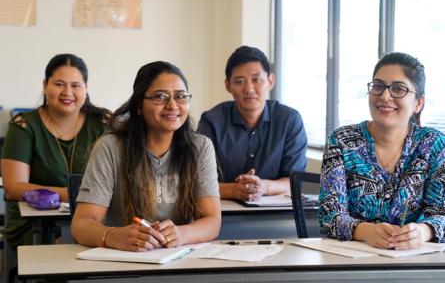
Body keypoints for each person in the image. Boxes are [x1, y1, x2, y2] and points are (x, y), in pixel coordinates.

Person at [71, 61, 220, 251]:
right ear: (139, 106)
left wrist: (182, 234)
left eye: (181, 96)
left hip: (176, 258)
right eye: (160, 96)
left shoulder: (200, 147)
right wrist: (112, 236)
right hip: (122, 259)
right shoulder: (110, 147)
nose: (172, 105)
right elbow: (81, 224)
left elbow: (212, 221)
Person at [319, 52, 445, 249]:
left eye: (398, 89)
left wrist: (424, 231)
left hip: (415, 261)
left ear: (418, 103)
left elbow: (441, 213)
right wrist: (366, 231)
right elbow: (329, 217)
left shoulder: (434, 145)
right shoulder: (342, 141)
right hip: (350, 260)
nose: (385, 96)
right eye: (378, 86)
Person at [1, 53, 110, 249]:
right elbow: (13, 187)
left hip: (94, 217)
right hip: (34, 223)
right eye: (59, 84)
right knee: (62, 248)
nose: (67, 92)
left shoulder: (103, 123)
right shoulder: (24, 125)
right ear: (45, 86)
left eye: (76, 85)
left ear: (86, 89)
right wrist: (74, 195)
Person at [198, 46, 307, 201]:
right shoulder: (212, 122)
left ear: (270, 81)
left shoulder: (289, 120)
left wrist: (263, 187)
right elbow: (197, 183)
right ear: (228, 85)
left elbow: (295, 182)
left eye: (256, 80)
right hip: (223, 213)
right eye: (239, 81)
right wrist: (234, 190)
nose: (249, 89)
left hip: (274, 214)